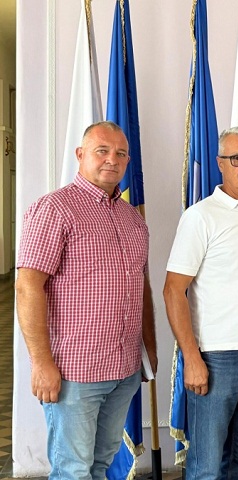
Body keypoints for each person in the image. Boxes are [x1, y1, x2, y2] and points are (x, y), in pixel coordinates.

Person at [15, 121, 158, 480]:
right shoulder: (54, 209)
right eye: (102, 151)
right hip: (74, 373)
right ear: (80, 155)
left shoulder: (132, 219)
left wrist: (149, 349)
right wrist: (40, 363)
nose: (112, 159)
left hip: (124, 369)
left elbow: (141, 287)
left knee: (101, 465)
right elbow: (28, 287)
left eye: (121, 153)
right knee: (73, 470)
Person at [163, 126, 238, 480]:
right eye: (237, 158)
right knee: (206, 467)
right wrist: (192, 359)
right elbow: (173, 290)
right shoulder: (201, 216)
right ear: (220, 163)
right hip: (215, 358)